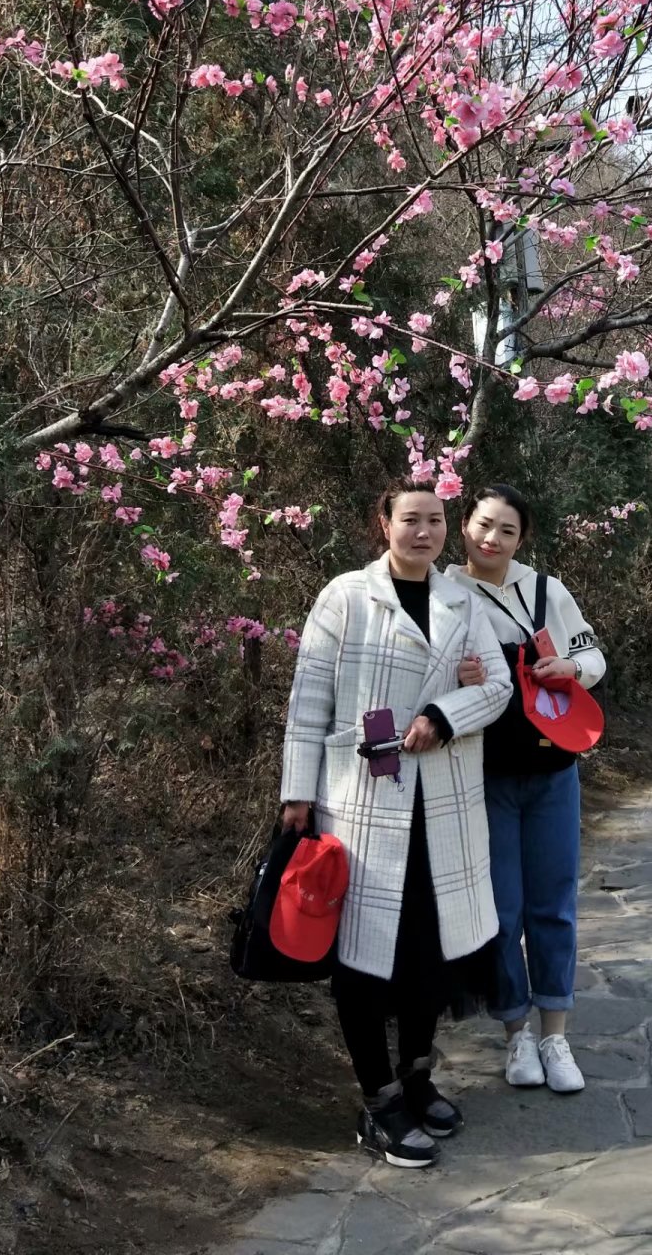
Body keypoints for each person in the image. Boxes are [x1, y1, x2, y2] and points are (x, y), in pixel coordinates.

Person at [279, 480, 512, 1169]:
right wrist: (297, 793)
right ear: (383, 524)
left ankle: (416, 1076)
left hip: (444, 806)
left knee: (430, 954)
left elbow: (499, 688)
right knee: (364, 956)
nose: (424, 531)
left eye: (436, 520)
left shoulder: (463, 600)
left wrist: (445, 715)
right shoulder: (345, 596)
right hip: (362, 804)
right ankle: (378, 1101)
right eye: (410, 519)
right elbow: (309, 700)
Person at [445, 484, 604, 1096]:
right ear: (465, 524)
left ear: (521, 538)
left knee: (554, 905)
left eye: (507, 530)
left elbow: (592, 654)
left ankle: (555, 1033)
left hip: (552, 771)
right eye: (484, 525)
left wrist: (572, 667)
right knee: (501, 909)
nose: (493, 539)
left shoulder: (546, 591)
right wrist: (456, 676)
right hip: (483, 775)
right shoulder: (444, 594)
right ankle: (516, 1032)